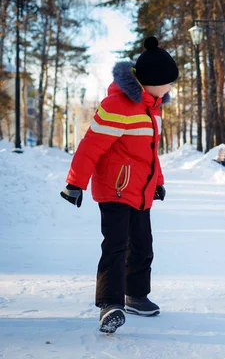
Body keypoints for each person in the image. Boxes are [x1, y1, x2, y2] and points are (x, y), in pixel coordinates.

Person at [59, 36, 179, 334]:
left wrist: (158, 182)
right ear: (150, 82)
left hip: (141, 189)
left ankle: (136, 294)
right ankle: (110, 305)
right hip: (115, 188)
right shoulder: (117, 106)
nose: (170, 89)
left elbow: (150, 152)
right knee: (116, 245)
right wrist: (75, 183)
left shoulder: (153, 109)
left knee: (143, 245)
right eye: (167, 83)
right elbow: (90, 147)